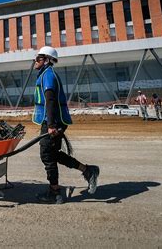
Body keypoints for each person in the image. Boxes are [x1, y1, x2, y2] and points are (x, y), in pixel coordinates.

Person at [33, 46, 100, 204]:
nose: (35, 61)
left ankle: (54, 193)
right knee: (54, 154)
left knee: (47, 156)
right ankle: (88, 171)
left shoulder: (48, 75)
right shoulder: (45, 74)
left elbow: (50, 100)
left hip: (52, 121)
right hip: (53, 121)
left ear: (47, 60)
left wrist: (50, 125)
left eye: (38, 58)